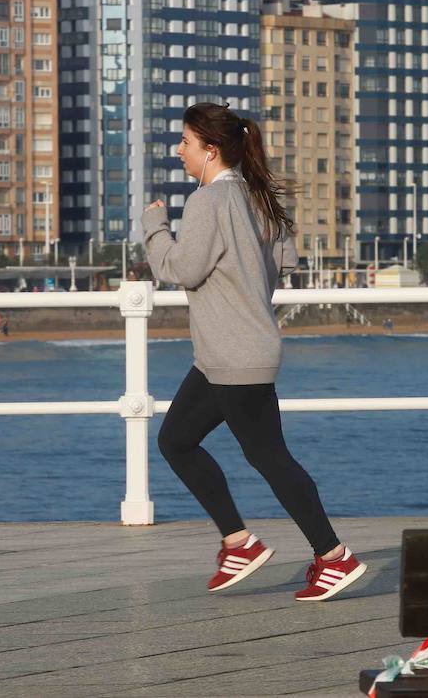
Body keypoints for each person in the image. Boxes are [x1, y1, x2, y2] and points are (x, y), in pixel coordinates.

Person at [145, 102, 366, 601]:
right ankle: (238, 542)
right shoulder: (255, 195)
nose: (179, 151)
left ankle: (334, 556)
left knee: (269, 456)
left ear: (211, 150)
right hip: (228, 352)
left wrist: (155, 227)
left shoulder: (208, 201)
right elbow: (285, 259)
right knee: (177, 440)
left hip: (234, 354)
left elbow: (181, 269)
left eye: (186, 142)